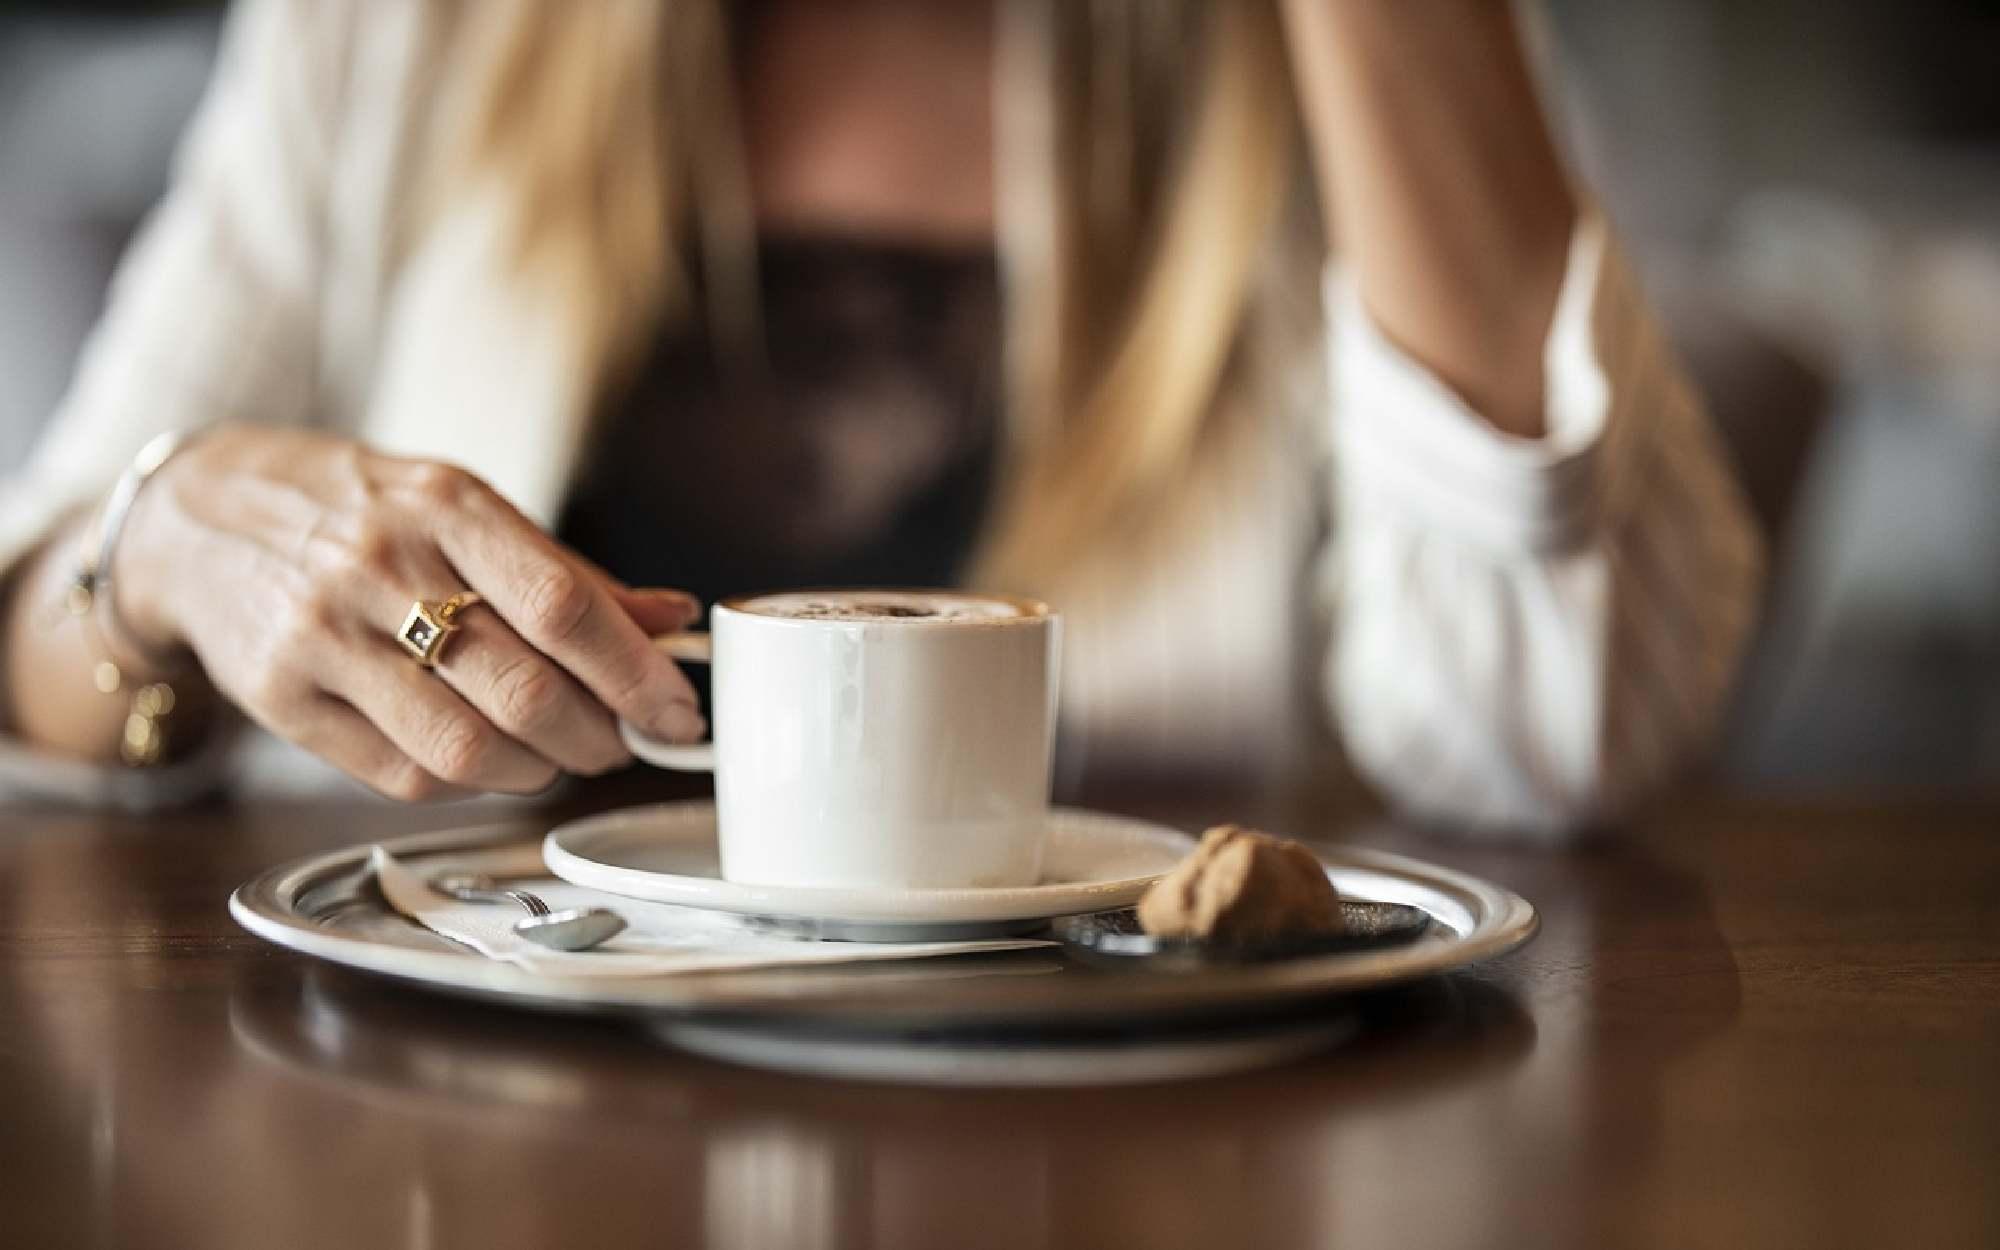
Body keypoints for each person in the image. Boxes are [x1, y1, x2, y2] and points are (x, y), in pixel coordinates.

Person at [0, 0, 1761, 834]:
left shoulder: (1316, 68)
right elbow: (33, 641)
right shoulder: (406, 39)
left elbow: (1567, 725)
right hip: (463, 1117)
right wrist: (162, 545)